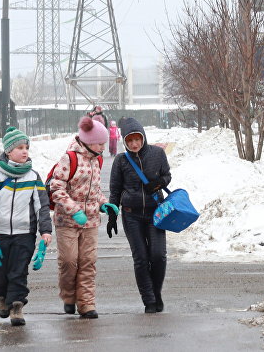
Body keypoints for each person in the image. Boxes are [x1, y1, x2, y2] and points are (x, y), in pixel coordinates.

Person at [0, 127, 53, 326]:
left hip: (24, 234)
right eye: (20, 147)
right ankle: (2, 298)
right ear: (9, 151)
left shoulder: (33, 177)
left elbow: (42, 206)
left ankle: (17, 306)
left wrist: (45, 230)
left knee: (18, 271)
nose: (24, 151)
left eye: (26, 147)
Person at [48, 116, 118, 319]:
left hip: (91, 221)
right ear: (88, 141)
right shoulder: (69, 158)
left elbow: (94, 191)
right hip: (67, 221)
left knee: (88, 262)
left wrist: (104, 203)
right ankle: (69, 296)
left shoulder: (97, 159)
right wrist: (73, 210)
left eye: (104, 143)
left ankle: (86, 303)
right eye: (100, 143)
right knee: (69, 262)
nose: (103, 147)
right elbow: (56, 187)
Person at [108, 117, 172, 314]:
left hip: (155, 213)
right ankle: (149, 299)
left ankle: (157, 292)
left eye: (137, 139)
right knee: (141, 258)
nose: (134, 144)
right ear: (125, 142)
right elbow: (115, 190)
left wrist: (159, 183)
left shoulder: (157, 153)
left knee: (158, 256)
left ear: (143, 137)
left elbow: (167, 175)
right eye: (130, 140)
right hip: (132, 215)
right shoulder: (120, 160)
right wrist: (112, 214)